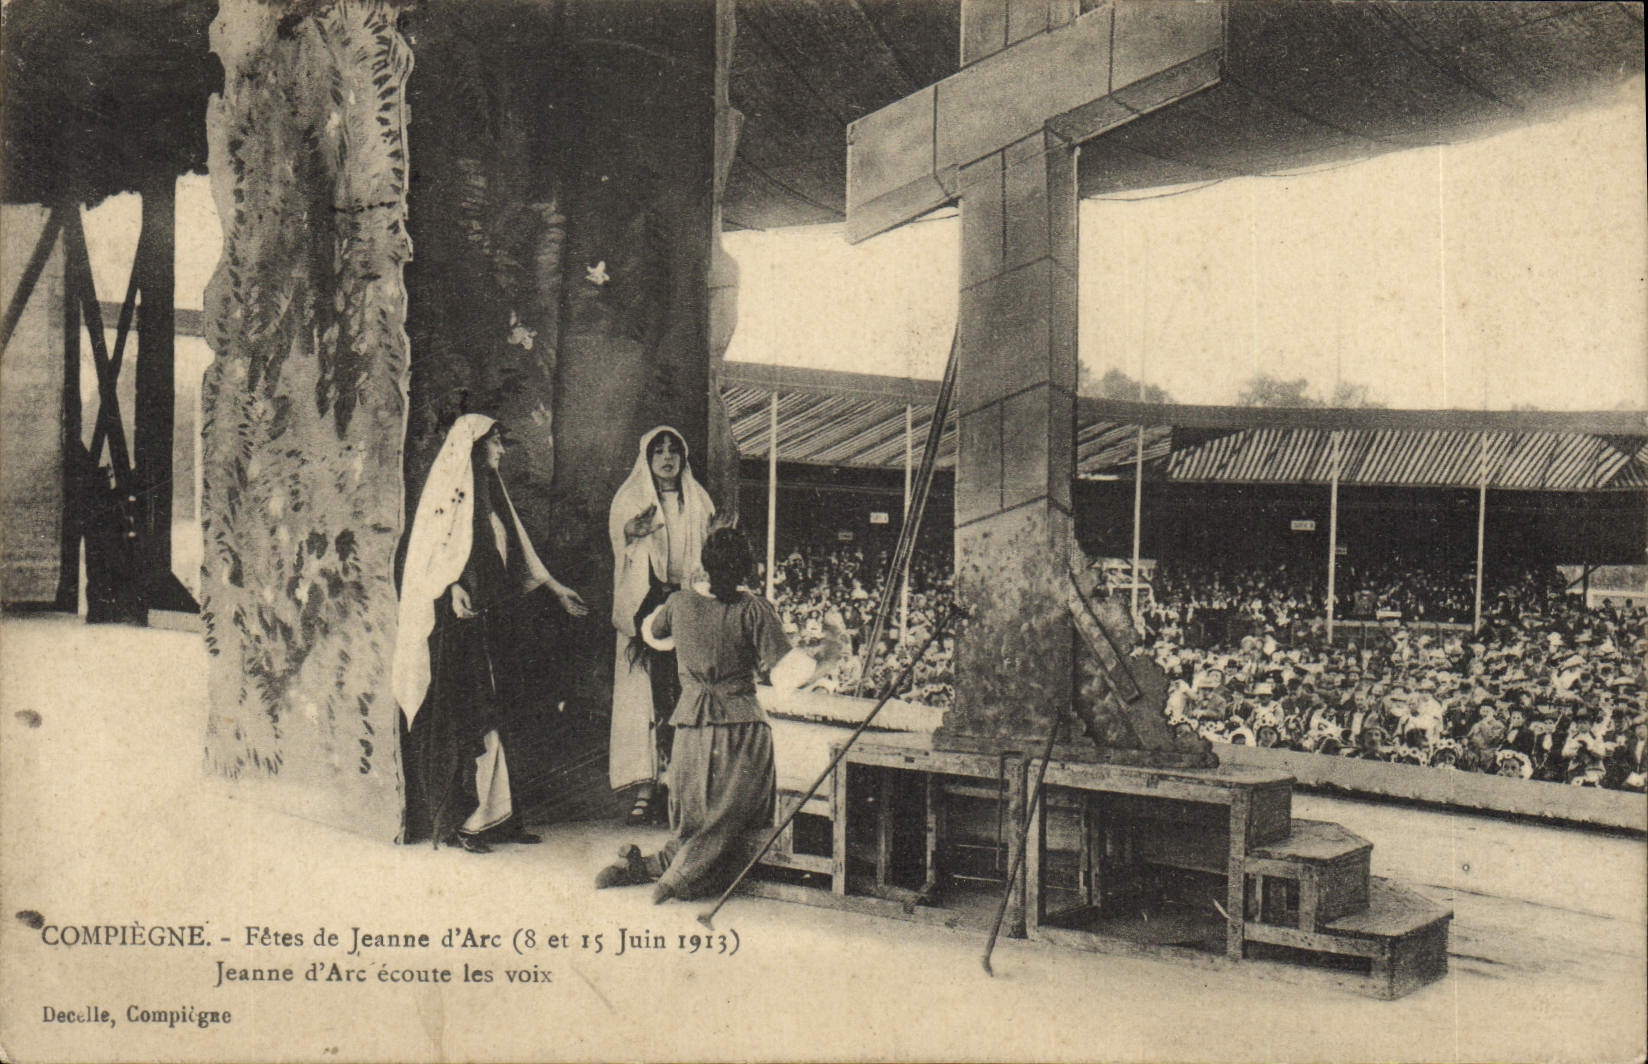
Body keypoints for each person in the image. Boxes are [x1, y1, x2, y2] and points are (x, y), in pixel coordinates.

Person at [595, 527, 845, 901]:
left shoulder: (679, 603)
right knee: (730, 816)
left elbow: (653, 633)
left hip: (690, 727)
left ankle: (652, 866)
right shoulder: (754, 608)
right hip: (740, 728)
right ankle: (682, 877)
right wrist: (830, 655)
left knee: (695, 816)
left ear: (705, 563)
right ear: (746, 567)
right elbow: (789, 675)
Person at [392, 415, 589, 852]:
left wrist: (555, 589)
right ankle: (468, 822)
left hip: (494, 620)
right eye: (495, 443)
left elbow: (521, 556)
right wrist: (452, 587)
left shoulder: (494, 497)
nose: (501, 450)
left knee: (504, 713)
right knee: (475, 717)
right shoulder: (449, 502)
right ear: (475, 448)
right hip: (460, 628)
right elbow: (431, 561)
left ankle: (502, 818)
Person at [608, 426, 715, 825]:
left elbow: (707, 553)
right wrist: (630, 534)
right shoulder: (631, 498)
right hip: (647, 605)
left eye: (674, 450)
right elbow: (621, 547)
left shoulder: (698, 500)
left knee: (682, 693)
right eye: (659, 451)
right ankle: (645, 787)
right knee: (645, 696)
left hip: (686, 603)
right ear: (647, 458)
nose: (667, 458)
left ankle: (679, 786)